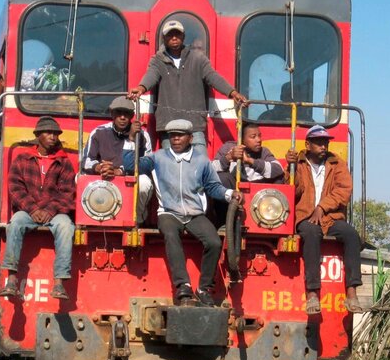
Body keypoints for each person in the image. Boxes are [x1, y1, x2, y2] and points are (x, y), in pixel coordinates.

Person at [123, 119, 243, 306]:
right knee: (171, 234)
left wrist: (229, 193)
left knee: (213, 241)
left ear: (191, 138)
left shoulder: (202, 161)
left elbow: (212, 187)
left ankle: (203, 289)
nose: (175, 139)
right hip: (168, 213)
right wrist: (131, 139)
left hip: (194, 214)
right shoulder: (158, 157)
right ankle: (183, 285)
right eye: (172, 135)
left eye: (180, 135)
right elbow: (131, 165)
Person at [127, 19, 248, 155]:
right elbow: (151, 76)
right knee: (171, 169)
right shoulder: (157, 60)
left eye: (177, 34)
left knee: (199, 166)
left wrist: (233, 93)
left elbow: (213, 77)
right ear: (164, 38)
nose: (174, 38)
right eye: (170, 35)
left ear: (183, 37)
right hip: (169, 129)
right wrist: (141, 88)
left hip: (194, 127)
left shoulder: (198, 58)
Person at [286, 125, 362, 314]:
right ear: (308, 144)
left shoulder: (338, 164)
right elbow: (291, 192)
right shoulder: (299, 164)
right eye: (319, 143)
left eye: (325, 143)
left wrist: (322, 207)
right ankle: (312, 293)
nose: (323, 147)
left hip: (331, 217)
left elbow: (343, 191)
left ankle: (351, 292)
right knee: (311, 234)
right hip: (305, 216)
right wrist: (290, 168)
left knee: (352, 234)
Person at [0, 117, 76, 300]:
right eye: (48, 133)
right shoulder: (22, 159)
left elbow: (67, 192)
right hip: (28, 211)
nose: (53, 136)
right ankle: (11, 279)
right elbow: (15, 188)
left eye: (56, 134)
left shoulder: (63, 162)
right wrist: (33, 209)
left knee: (66, 227)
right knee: (15, 223)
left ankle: (59, 284)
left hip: (55, 213)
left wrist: (50, 210)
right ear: (37, 136)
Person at [84, 96, 153, 223]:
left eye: (126, 113)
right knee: (79, 177)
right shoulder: (99, 132)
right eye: (118, 113)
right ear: (112, 114)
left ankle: (137, 219)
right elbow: (87, 160)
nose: (122, 117)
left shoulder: (143, 135)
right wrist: (100, 167)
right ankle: (91, 218)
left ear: (132, 115)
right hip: (104, 178)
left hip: (128, 178)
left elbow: (147, 166)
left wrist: (131, 138)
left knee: (144, 182)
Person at [211, 123, 284, 188]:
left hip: (259, 193)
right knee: (222, 178)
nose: (258, 140)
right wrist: (228, 158)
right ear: (242, 139)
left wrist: (250, 161)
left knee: (279, 178)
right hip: (234, 190)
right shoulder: (228, 147)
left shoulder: (263, 151)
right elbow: (211, 169)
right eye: (253, 137)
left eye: (259, 136)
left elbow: (278, 169)